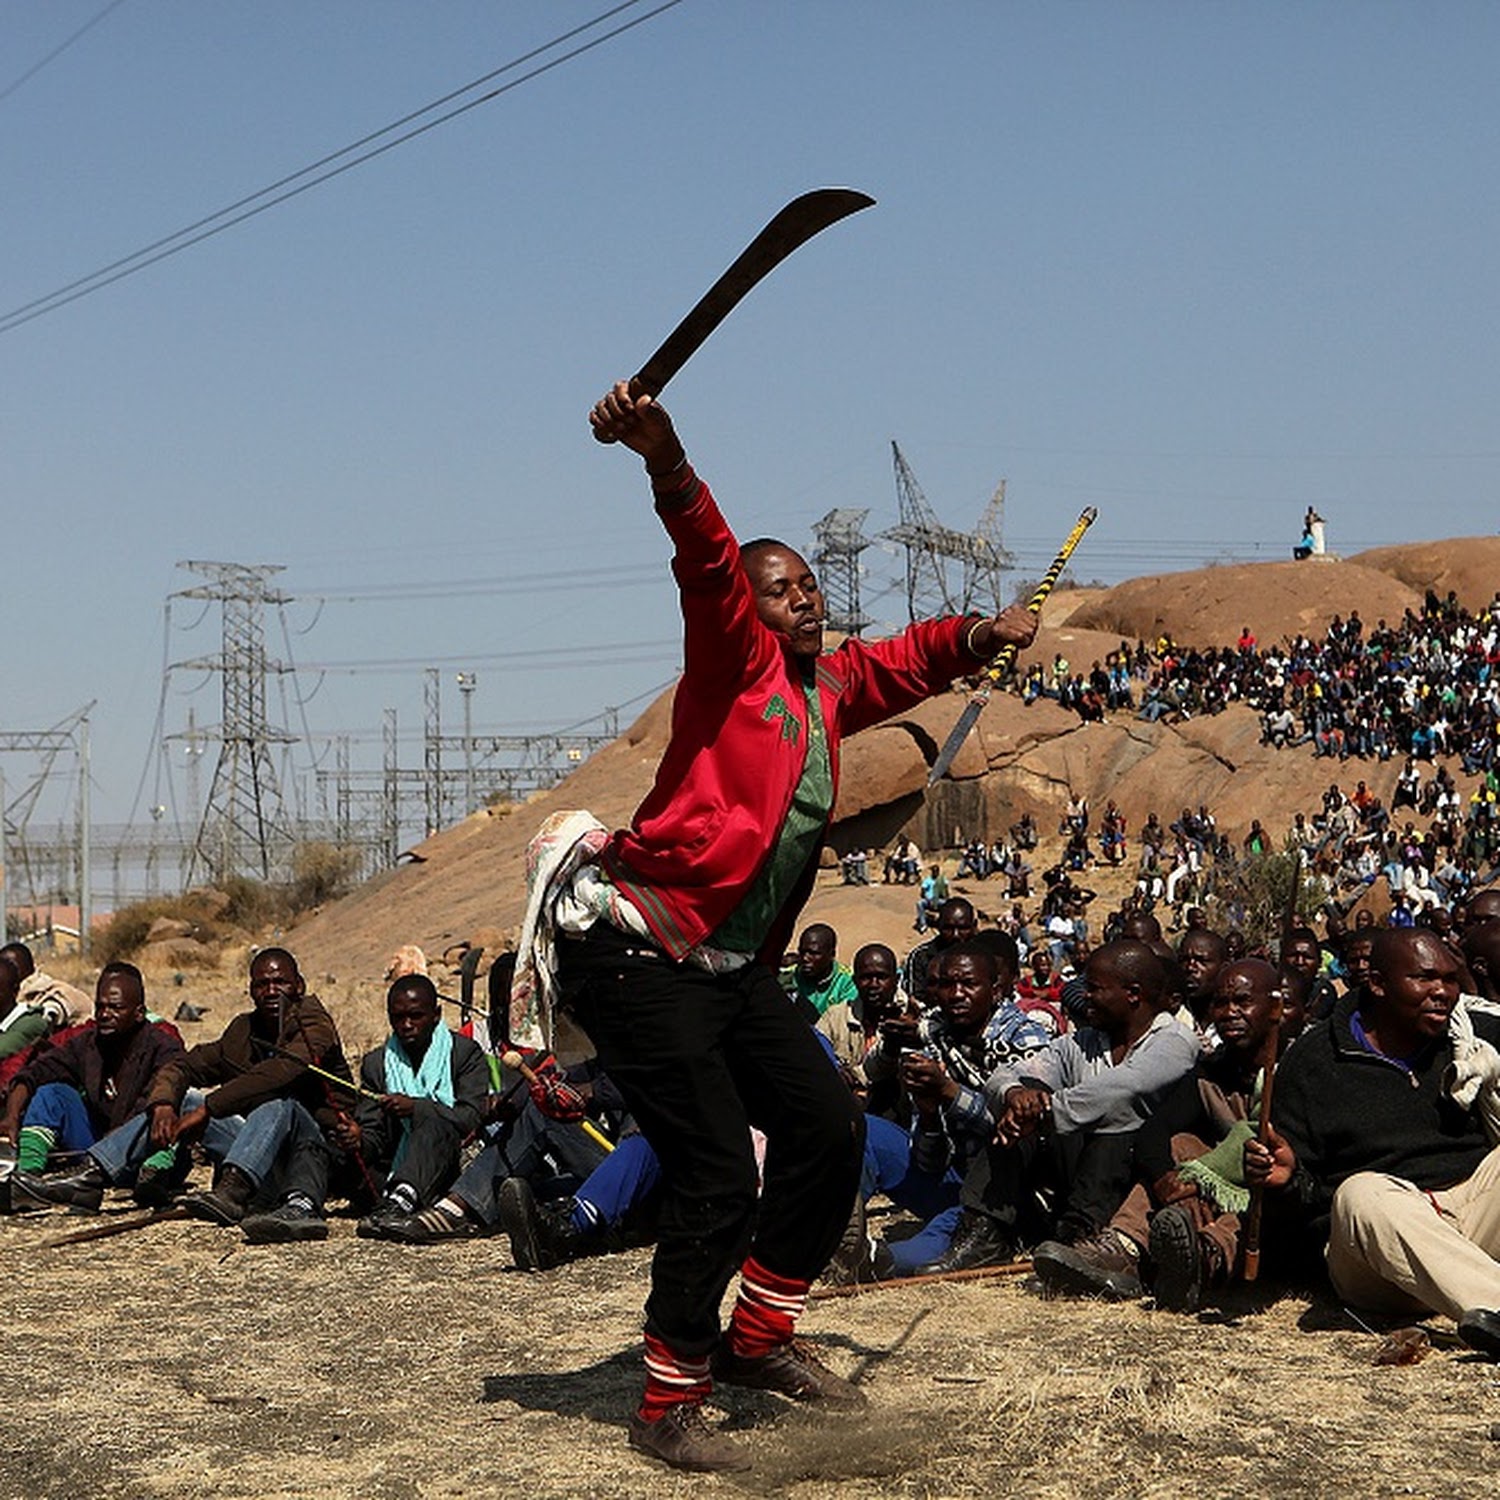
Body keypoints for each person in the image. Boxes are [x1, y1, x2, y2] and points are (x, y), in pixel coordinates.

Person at [539, 382, 1039, 1473]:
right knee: (717, 1175)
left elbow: (903, 661)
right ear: (752, 610)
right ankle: (668, 1401)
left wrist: (979, 632)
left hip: (727, 969)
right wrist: (664, 454)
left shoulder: (821, 688)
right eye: (782, 591)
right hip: (644, 951)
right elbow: (709, 564)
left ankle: (761, 1338)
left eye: (809, 586)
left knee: (828, 1125)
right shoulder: (734, 664)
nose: (802, 600)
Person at [1247, 929, 1500, 1356]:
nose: (1442, 992)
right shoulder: (1313, 1063)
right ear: (1379, 984)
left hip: (1468, 1218)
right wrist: (1286, 1181)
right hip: (1379, 1256)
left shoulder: (1470, 1041)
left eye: (1450, 979)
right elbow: (1296, 1206)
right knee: (1362, 1192)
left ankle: (1475, 1293)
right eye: (1424, 978)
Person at [13, 948, 348, 1219]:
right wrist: (163, 1105)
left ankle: (233, 1190)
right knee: (185, 1097)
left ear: (299, 986)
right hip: (258, 1158)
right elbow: (185, 1065)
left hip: (311, 1156)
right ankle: (92, 1175)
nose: (271, 991)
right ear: (250, 990)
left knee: (279, 1104)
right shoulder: (244, 1031)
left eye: (281, 982)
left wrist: (209, 1109)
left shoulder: (315, 1025)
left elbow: (278, 1073)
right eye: (262, 984)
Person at [1033, 958, 1282, 1308]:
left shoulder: (1295, 1067)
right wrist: (1170, 1182)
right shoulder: (1211, 1071)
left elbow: (1267, 1145)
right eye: (1220, 1003)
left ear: (1275, 1008)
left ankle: (1204, 1259)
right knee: (1181, 1144)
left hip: (1273, 1196)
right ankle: (1124, 1248)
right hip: (1213, 1181)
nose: (1229, 1013)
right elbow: (1155, 1129)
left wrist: (1200, 1182)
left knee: (1259, 1171)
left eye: (1242, 1002)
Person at [245, 973, 489, 1243]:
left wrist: (417, 1108)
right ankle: (300, 1206)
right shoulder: (377, 1063)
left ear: (436, 1014)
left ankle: (401, 1203)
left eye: (415, 1016)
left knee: (433, 1120)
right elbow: (374, 1135)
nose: (406, 1025)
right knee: (318, 1142)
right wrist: (357, 1138)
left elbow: (469, 1118)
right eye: (397, 1018)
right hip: (382, 1177)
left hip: (443, 1170)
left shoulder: (465, 1054)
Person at [1, 964, 184, 1180]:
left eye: (116, 1008)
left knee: (175, 1101)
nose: (105, 1014)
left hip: (142, 1145)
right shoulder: (88, 1042)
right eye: (100, 1007)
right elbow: (35, 1072)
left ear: (139, 1013)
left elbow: (172, 1083)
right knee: (52, 1093)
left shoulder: (162, 1045)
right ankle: (27, 1176)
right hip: (96, 1148)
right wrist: (11, 1116)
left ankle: (155, 1176)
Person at [901, 898, 979, 1012]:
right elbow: (915, 999)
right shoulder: (921, 956)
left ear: (974, 926)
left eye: (963, 928)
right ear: (938, 926)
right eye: (948, 928)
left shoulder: (984, 956)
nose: (956, 935)